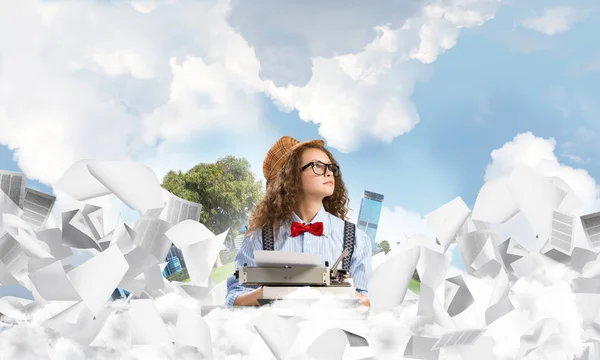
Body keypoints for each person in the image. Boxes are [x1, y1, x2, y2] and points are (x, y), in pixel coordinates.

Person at [224, 136, 372, 307]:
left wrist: (343, 291)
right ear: (291, 176)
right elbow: (233, 298)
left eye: (331, 167)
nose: (329, 172)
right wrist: (266, 293)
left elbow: (364, 305)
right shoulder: (258, 238)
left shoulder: (357, 240)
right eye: (317, 166)